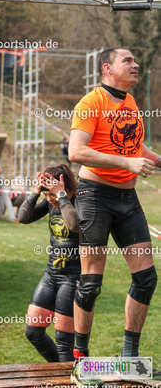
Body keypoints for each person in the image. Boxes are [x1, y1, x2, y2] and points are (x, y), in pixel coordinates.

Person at [68, 47, 160, 387]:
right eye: (128, 61)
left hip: (127, 199)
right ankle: (81, 362)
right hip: (95, 197)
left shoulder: (131, 102)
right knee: (90, 283)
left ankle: (129, 359)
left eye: (135, 60)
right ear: (107, 68)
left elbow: (133, 147)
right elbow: (76, 151)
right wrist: (128, 163)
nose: (135, 65)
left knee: (146, 278)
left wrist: (156, 159)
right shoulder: (90, 103)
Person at [18, 165, 80, 362]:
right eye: (47, 196)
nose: (50, 200)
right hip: (51, 274)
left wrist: (61, 197)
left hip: (74, 277)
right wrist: (37, 192)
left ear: (66, 189)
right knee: (33, 332)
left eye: (52, 195)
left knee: (64, 343)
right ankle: (60, 372)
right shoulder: (50, 203)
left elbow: (74, 225)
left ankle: (66, 376)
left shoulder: (80, 201)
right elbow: (22, 218)